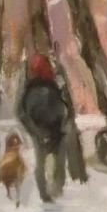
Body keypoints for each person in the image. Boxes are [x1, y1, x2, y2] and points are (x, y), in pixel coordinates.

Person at [17, 53, 70, 202]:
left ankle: (50, 192)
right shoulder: (35, 88)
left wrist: (35, 131)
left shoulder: (46, 87)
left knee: (50, 163)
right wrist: (36, 131)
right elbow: (22, 114)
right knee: (48, 163)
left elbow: (22, 114)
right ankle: (48, 193)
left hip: (51, 131)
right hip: (48, 131)